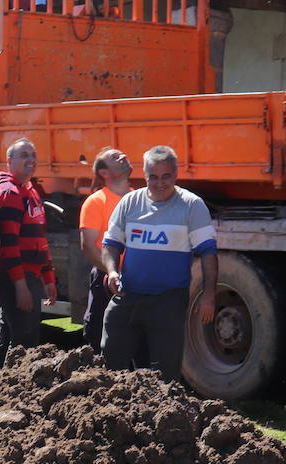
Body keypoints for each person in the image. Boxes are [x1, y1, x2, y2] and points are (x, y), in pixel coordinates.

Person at [100, 145, 217, 382]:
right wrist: (112, 271)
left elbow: (208, 254)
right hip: (128, 296)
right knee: (110, 365)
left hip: (168, 300)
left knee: (165, 376)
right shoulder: (130, 203)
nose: (159, 183)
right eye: (153, 177)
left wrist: (209, 295)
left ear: (176, 175)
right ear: (144, 176)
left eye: (166, 176)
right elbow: (111, 244)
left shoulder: (192, 205)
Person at [0, 138, 57, 367]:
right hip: (15, 278)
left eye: (33, 154)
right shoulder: (10, 193)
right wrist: (20, 286)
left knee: (9, 336)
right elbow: (7, 244)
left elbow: (40, 239)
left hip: (30, 277)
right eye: (24, 155)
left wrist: (48, 278)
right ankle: (10, 391)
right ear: (9, 161)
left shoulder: (30, 191)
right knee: (24, 342)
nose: (31, 159)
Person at [78, 148, 132, 351]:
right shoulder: (96, 202)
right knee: (100, 337)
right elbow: (88, 246)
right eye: (115, 158)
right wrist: (113, 274)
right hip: (106, 280)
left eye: (122, 154)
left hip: (134, 280)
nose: (124, 157)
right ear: (104, 173)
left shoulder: (138, 199)